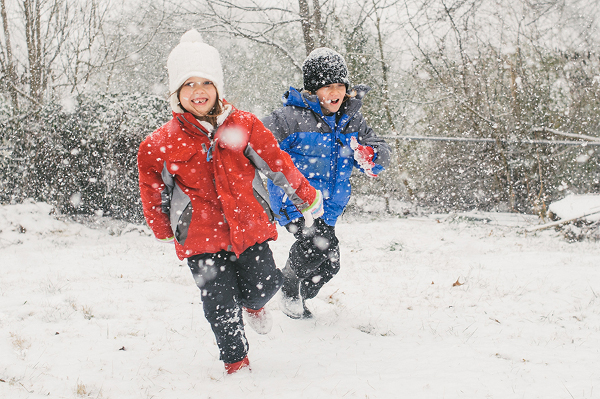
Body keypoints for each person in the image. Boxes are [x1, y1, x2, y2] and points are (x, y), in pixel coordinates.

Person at [137, 29, 323, 374]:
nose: (198, 92)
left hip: (250, 226)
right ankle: (236, 361)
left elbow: (277, 163)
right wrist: (162, 226)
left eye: (205, 83)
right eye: (188, 84)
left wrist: (306, 195)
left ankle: (253, 305)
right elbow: (153, 190)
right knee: (218, 303)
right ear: (176, 92)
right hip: (200, 236)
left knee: (266, 284)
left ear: (218, 87)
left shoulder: (245, 125)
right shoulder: (159, 144)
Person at [262, 47, 391, 319]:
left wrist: (371, 154)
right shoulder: (290, 118)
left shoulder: (350, 120)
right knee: (316, 246)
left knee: (330, 265)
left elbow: (378, 147)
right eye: (327, 86)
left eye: (340, 86)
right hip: (295, 200)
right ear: (312, 90)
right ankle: (287, 286)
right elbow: (255, 142)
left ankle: (296, 290)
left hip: (330, 205)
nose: (335, 93)